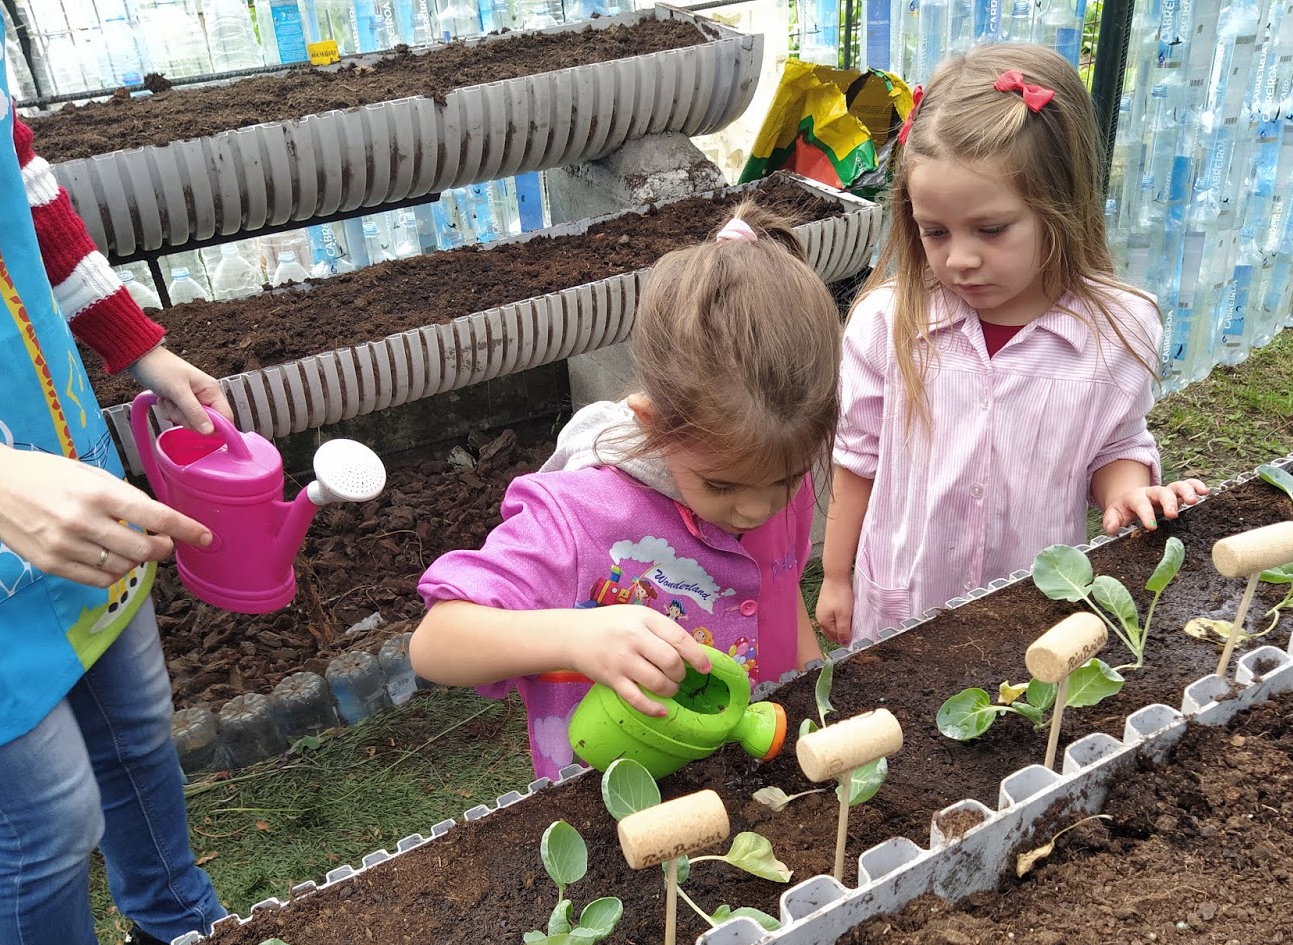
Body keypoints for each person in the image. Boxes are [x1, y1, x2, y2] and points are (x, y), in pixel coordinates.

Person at [0, 0, 228, 945]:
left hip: (53, 443)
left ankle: (183, 934)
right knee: (48, 815)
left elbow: (12, 171)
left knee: (137, 726)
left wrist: (137, 346)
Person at [411, 201, 840, 780]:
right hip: (616, 801)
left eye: (787, 480)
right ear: (652, 423)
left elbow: (781, 595)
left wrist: (816, 697)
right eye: (721, 484)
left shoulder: (768, 467)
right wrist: (576, 636)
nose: (757, 508)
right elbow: (435, 643)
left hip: (754, 770)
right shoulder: (579, 517)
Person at [816, 43, 1210, 647]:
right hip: (904, 606)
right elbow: (858, 459)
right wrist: (837, 576)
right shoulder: (886, 323)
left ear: (1060, 205)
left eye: (991, 229)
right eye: (934, 232)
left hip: (1034, 612)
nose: (960, 258)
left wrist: (1132, 495)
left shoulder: (1118, 328)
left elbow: (1115, 444)